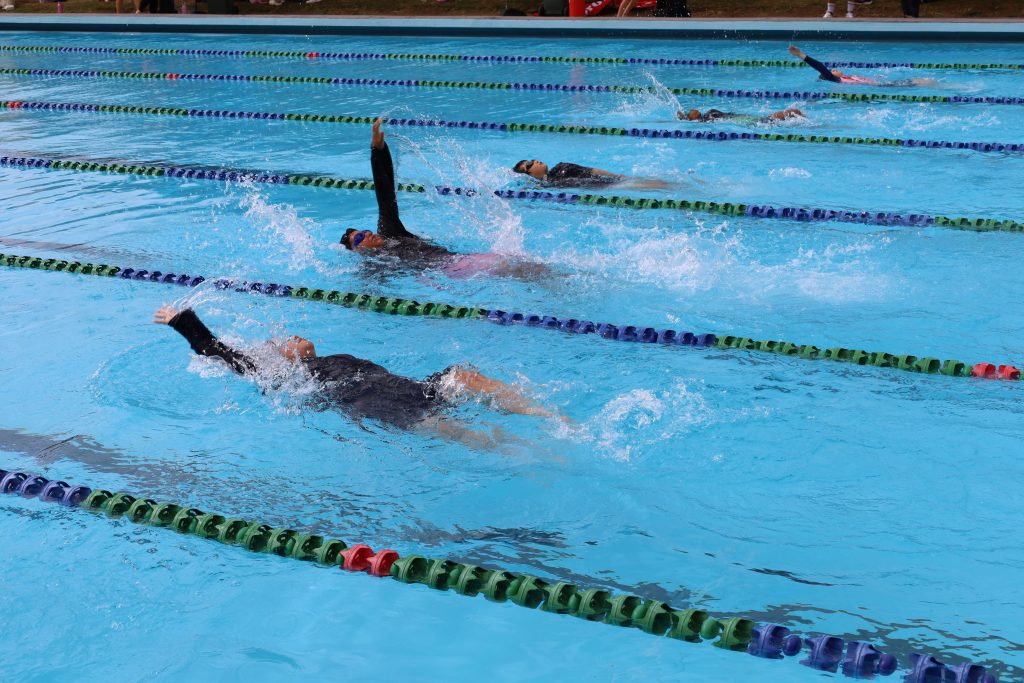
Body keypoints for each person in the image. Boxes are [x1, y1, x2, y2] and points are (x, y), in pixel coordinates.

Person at [153, 305, 563, 448]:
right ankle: (520, 453)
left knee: (463, 375)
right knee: (450, 429)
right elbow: (218, 351)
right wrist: (182, 322)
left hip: (400, 385)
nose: (291, 337)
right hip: (371, 403)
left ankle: (549, 418)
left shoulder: (331, 357)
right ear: (278, 357)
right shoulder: (285, 376)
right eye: (282, 340)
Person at [340, 118, 549, 281]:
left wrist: (378, 150)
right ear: (359, 251)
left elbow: (385, 193)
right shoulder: (376, 264)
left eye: (364, 231)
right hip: (452, 269)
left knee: (524, 267)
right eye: (359, 239)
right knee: (521, 268)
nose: (367, 234)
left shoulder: (391, 232)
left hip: (457, 263)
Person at [787, 45, 936, 87]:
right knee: (920, 82)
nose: (834, 69)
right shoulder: (836, 80)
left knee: (919, 82)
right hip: (882, 87)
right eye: (832, 70)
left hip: (881, 85)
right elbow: (820, 67)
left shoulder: (847, 77)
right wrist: (800, 55)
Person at [512, 159, 669, 190]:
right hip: (597, 188)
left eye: (533, 159)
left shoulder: (561, 167)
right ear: (529, 174)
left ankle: (670, 186)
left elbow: (592, 171)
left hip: (604, 183)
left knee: (646, 186)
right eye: (530, 164)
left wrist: (616, 176)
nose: (536, 161)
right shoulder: (544, 184)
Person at [678, 107, 805, 124]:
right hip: (740, 118)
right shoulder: (707, 117)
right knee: (768, 119)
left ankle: (796, 115)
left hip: (740, 118)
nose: (693, 109)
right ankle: (796, 115)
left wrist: (683, 117)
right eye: (691, 112)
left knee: (767, 119)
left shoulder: (709, 115)